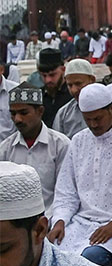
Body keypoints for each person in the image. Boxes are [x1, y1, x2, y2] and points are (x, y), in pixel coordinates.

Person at [48, 83, 112, 266]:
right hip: (79, 223)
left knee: (89, 261)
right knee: (46, 255)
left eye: (98, 118)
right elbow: (66, 192)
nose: (93, 124)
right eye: (88, 119)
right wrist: (60, 221)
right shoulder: (78, 141)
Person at [3, 85, 71, 213]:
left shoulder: (61, 145)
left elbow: (66, 193)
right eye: (13, 114)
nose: (17, 119)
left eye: (24, 113)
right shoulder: (5, 149)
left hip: (52, 217)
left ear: (40, 111)